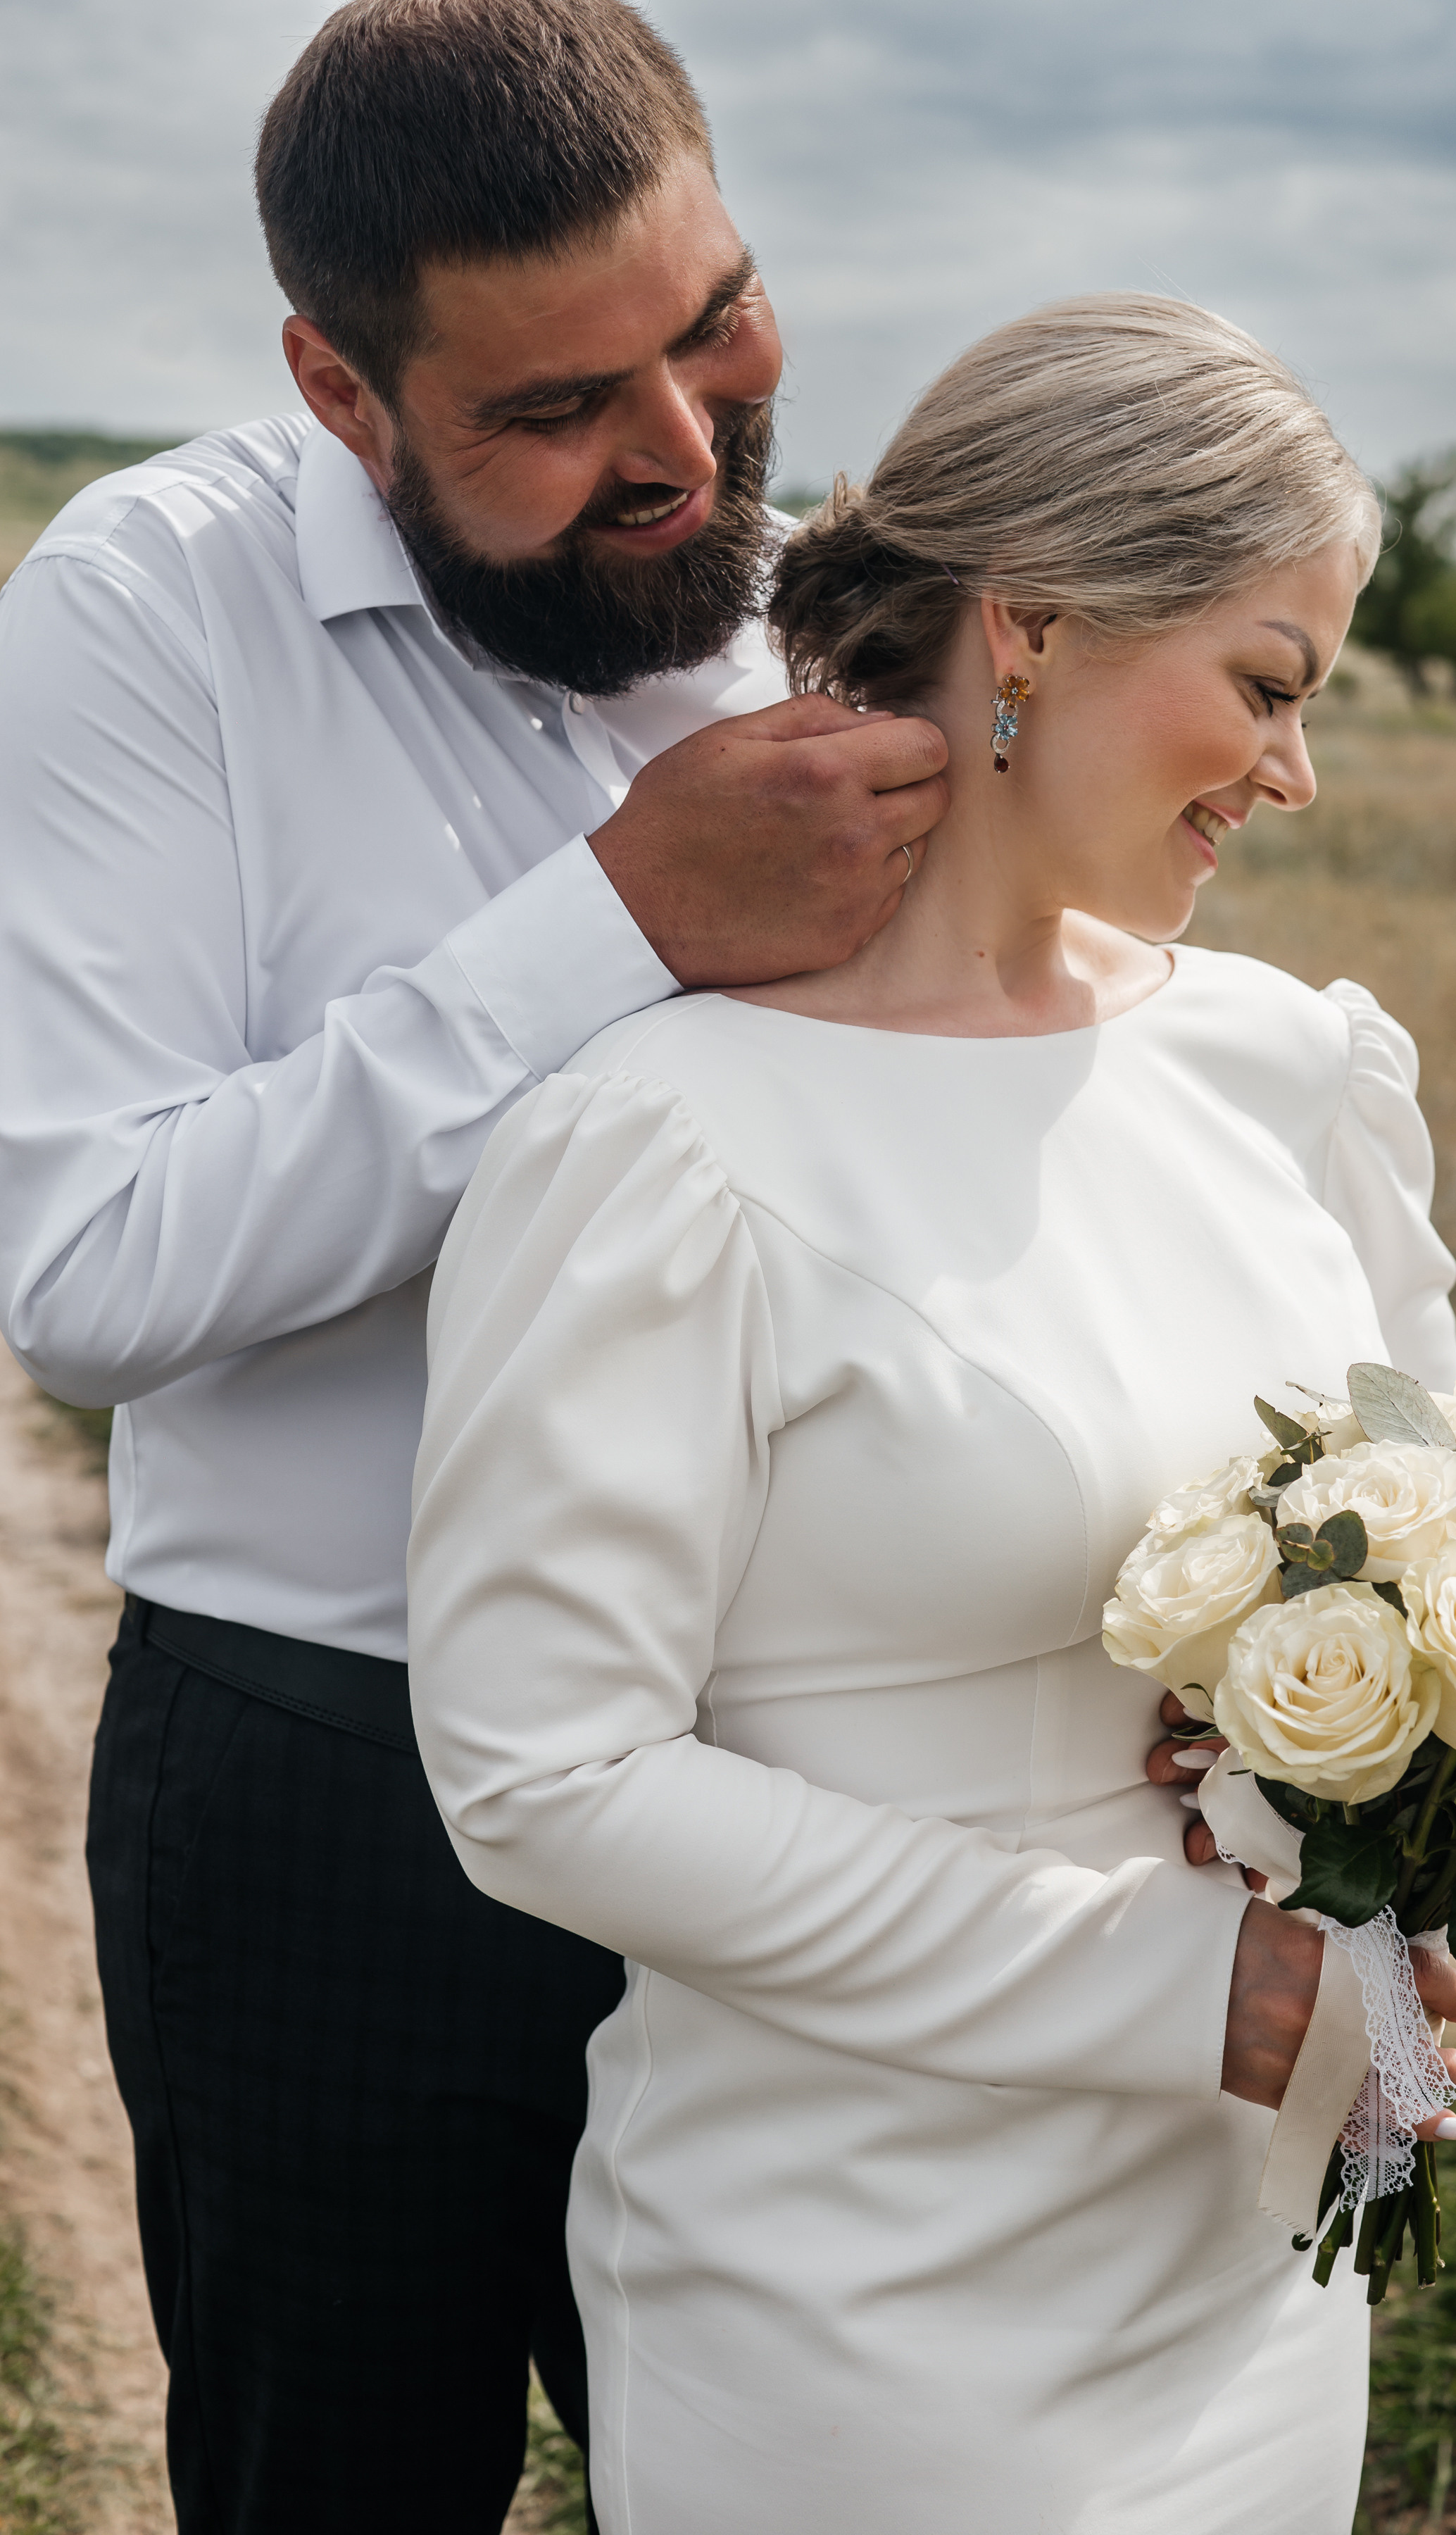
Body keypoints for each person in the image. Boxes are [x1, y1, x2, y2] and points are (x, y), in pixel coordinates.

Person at [408, 292, 1456, 2535]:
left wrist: (1412, 1863)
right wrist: (1175, 1985)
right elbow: (545, 1775)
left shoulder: (1289, 1072)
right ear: (1034, 629)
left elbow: (1449, 1557)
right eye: (1268, 686)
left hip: (1250, 2266)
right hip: (862, 2302)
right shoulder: (673, 1143)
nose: (1295, 772)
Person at [0, 4, 947, 2529]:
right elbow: (82, 1266)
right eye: (550, 409)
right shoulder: (142, 611)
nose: (675, 444)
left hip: (804, 1789)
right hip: (344, 1785)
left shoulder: (807, 590)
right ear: (340, 388)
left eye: (716, 319)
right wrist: (618, 922)